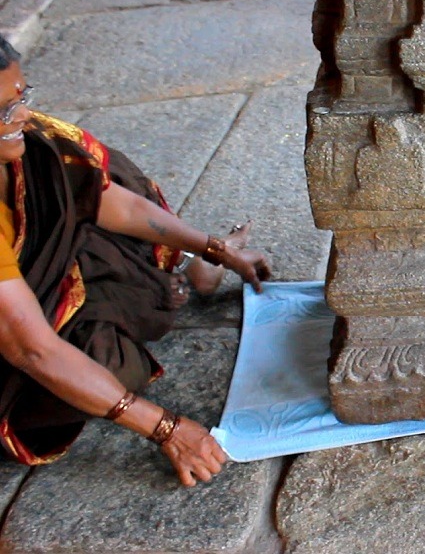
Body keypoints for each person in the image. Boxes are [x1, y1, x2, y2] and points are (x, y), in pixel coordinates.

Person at [0, 35, 271, 486]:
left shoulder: (24, 139)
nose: (22, 115)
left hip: (26, 289)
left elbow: (112, 203)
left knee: (85, 172)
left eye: (21, 97)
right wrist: (165, 428)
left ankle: (185, 268)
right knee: (111, 368)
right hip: (13, 346)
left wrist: (214, 248)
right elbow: (31, 349)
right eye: (6, 111)